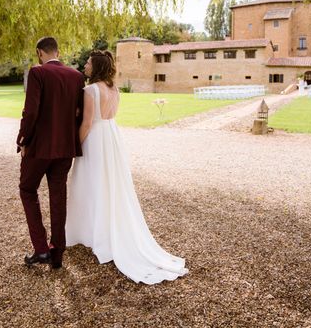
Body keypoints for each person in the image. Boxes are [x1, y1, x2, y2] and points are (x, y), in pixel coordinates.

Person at [66, 50, 188, 284]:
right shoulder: (115, 90)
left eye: (89, 62)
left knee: (89, 183)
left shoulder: (90, 90)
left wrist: (75, 146)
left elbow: (88, 123)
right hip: (111, 139)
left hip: (96, 141)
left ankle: (94, 233)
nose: (85, 65)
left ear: (97, 67)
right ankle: (101, 230)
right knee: (110, 185)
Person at [17, 36, 84, 269]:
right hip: (65, 149)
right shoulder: (77, 76)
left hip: (39, 148)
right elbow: (78, 113)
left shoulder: (38, 73)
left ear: (39, 52)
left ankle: (41, 249)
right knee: (58, 197)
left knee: (27, 190)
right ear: (58, 51)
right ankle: (57, 252)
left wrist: (22, 139)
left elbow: (31, 111)